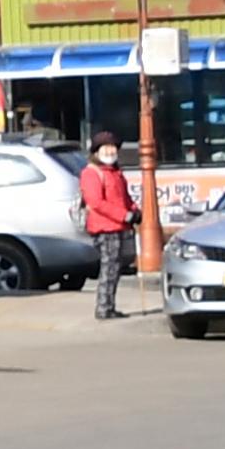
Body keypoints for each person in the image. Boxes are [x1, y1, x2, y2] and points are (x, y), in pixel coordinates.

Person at [80, 134, 139, 320]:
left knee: (115, 269)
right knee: (109, 269)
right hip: (104, 228)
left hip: (119, 226)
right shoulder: (91, 173)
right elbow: (96, 202)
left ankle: (109, 306)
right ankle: (104, 308)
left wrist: (135, 210)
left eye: (113, 148)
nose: (110, 152)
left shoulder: (115, 172)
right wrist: (124, 215)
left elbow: (125, 198)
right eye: (106, 148)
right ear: (97, 151)